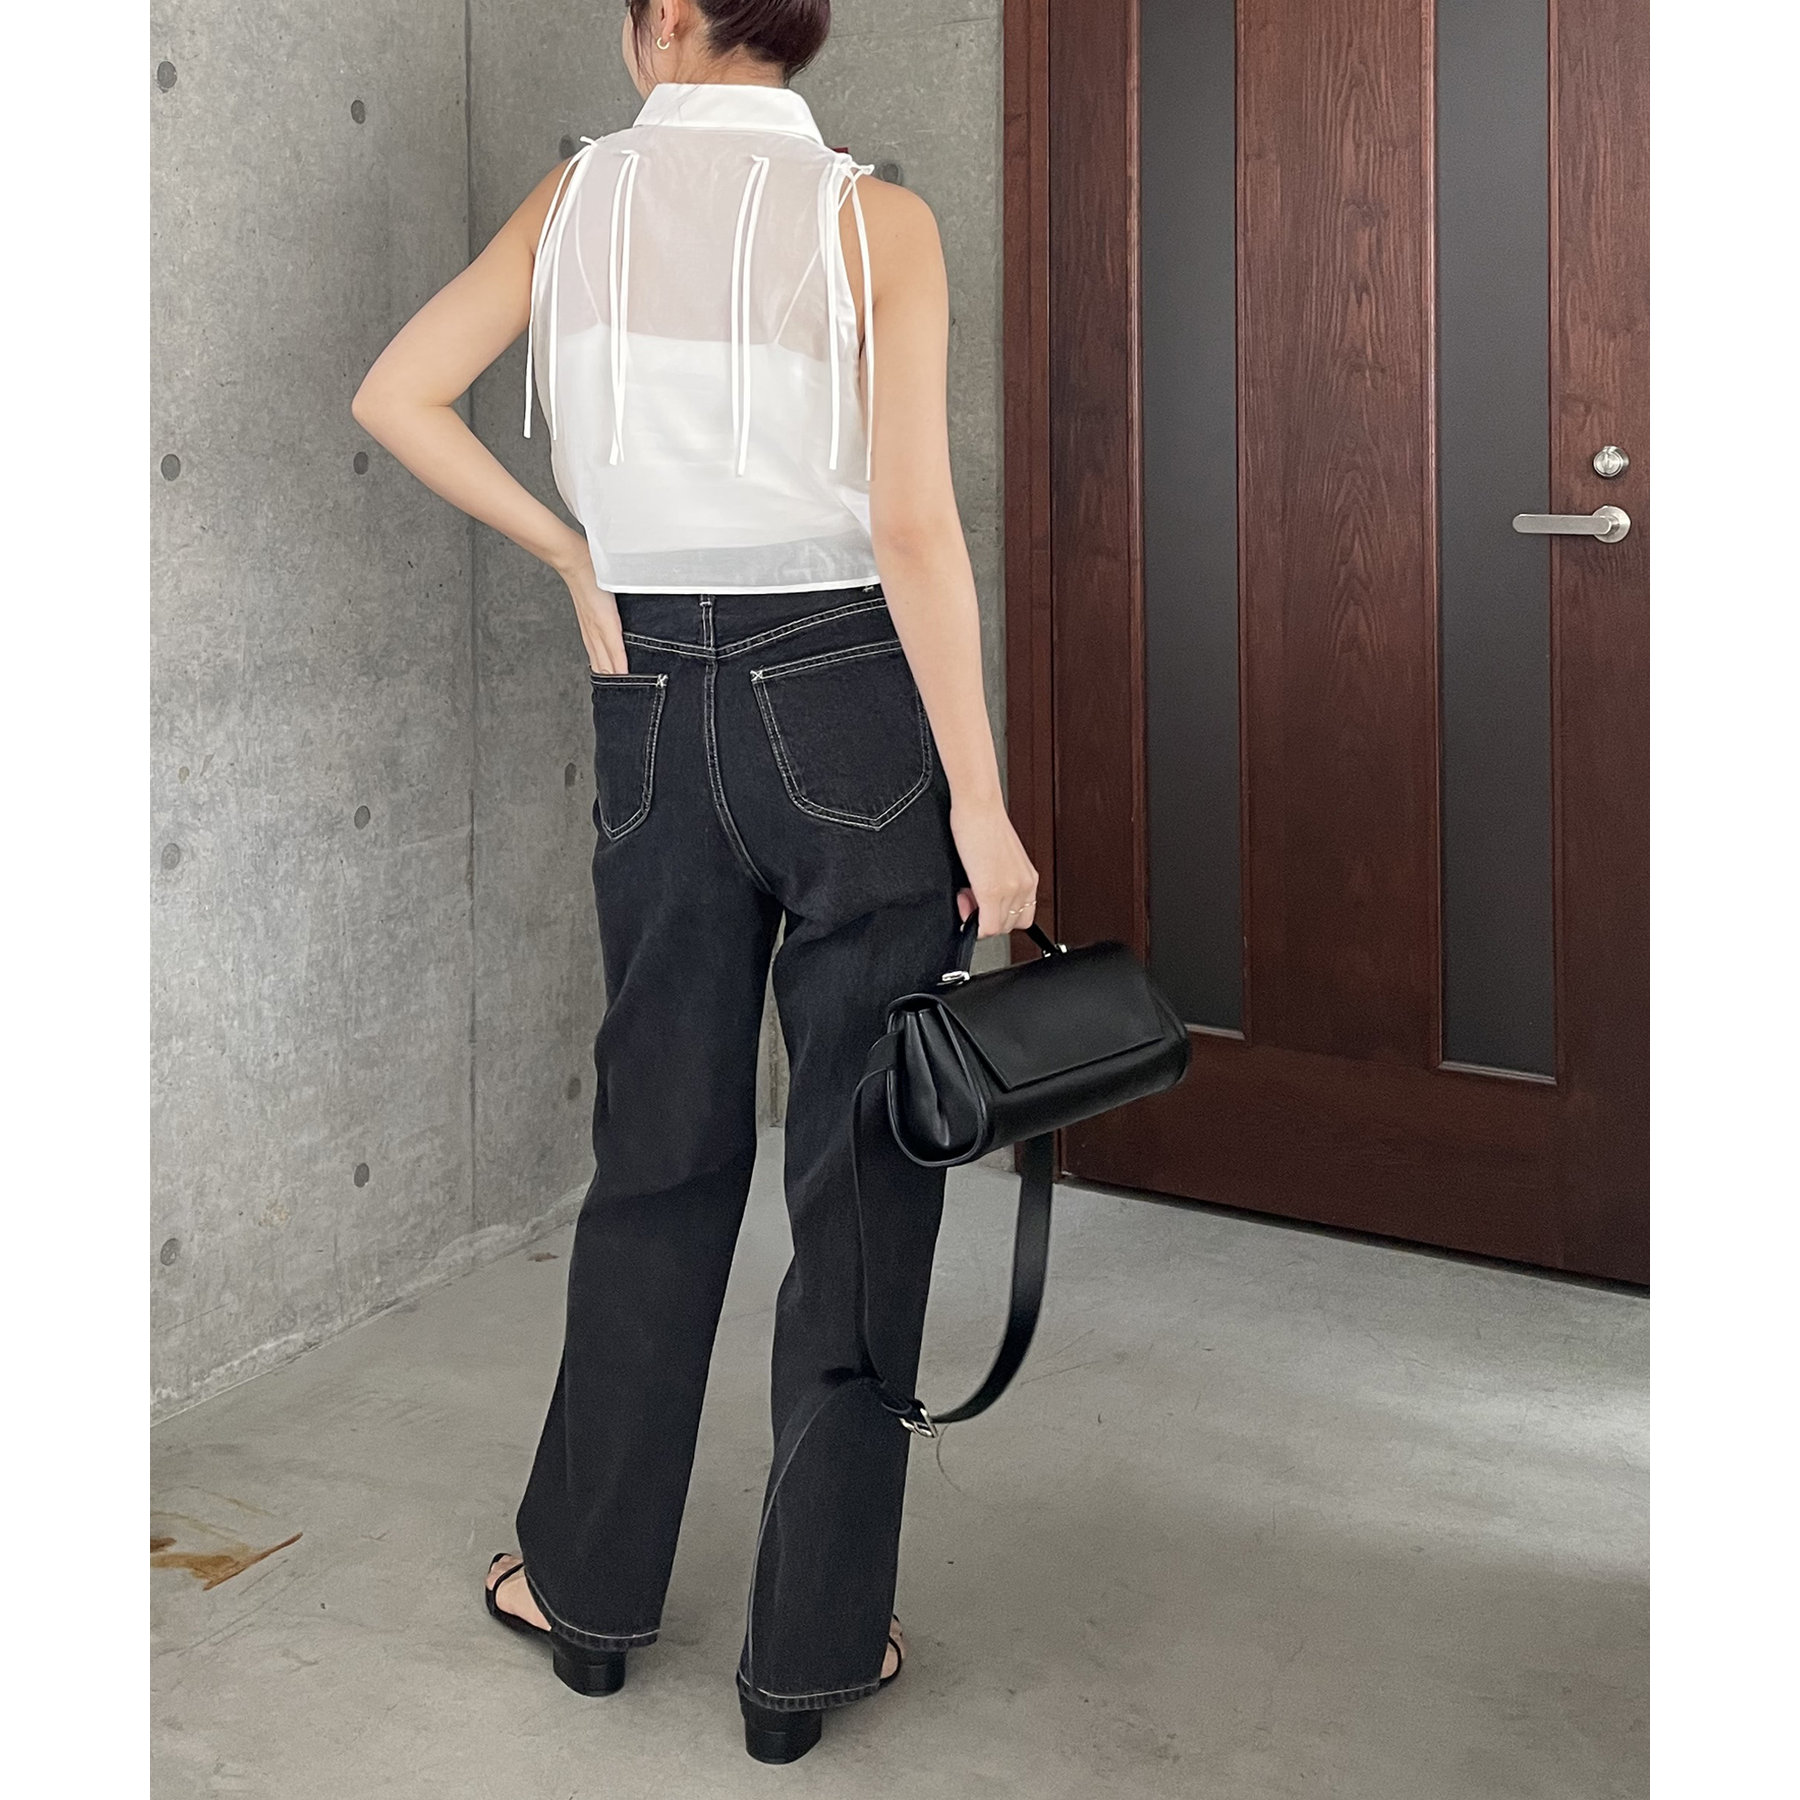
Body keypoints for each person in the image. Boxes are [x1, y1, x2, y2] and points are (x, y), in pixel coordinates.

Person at [351, 0, 1036, 1766]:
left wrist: (573, 553)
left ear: (663, 19)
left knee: (654, 1153)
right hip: (850, 698)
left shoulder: (572, 200)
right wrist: (981, 806)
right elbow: (911, 528)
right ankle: (809, 1657)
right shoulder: (877, 218)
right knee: (864, 1175)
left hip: (649, 693)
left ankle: (586, 1600)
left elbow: (396, 394)